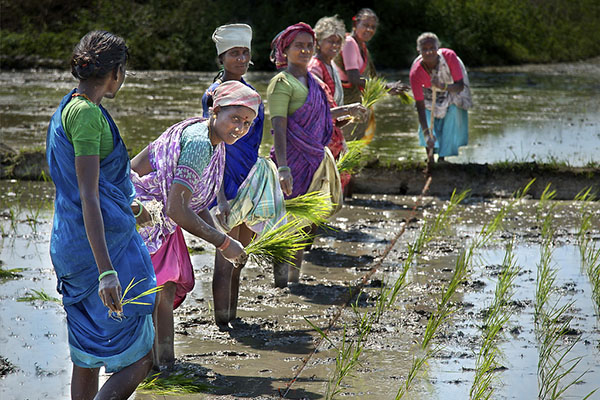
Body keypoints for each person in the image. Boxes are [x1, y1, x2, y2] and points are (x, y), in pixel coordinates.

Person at [46, 30, 156, 399]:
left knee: (86, 356)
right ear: (116, 73)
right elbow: (89, 196)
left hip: (69, 243)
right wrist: (107, 272)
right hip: (100, 251)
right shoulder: (89, 116)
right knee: (141, 357)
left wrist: (134, 207)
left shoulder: (67, 107)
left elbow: (97, 188)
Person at [130, 80, 261, 368]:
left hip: (159, 214)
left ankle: (163, 364)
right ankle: (152, 366)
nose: (240, 128)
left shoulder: (213, 139)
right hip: (143, 214)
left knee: (163, 291)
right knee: (155, 295)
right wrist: (224, 242)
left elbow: (193, 204)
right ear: (215, 111)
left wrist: (219, 231)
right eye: (235, 119)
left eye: (248, 123)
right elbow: (177, 209)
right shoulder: (201, 144)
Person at [201, 24, 286, 330]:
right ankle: (222, 325)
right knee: (224, 258)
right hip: (225, 183)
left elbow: (253, 141)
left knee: (241, 257)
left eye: (244, 53)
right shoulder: (213, 95)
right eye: (233, 53)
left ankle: (232, 318)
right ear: (221, 57)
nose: (240, 58)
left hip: (250, 179)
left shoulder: (251, 93)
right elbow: (213, 144)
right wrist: (221, 196)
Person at [268, 22, 365, 283]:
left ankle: (295, 279)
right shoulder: (281, 82)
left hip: (314, 160)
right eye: (298, 46)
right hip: (291, 161)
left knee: (302, 222)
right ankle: (280, 282)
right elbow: (279, 126)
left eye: (309, 46)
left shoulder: (315, 82)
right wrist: (284, 168)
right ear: (285, 50)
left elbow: (322, 117)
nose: (305, 50)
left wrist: (349, 110)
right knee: (286, 222)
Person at [334, 8, 405, 142]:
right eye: (365, 25)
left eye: (372, 27)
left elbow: (372, 77)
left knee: (353, 143)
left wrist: (390, 88)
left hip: (355, 101)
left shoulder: (362, 46)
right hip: (345, 101)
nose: (369, 30)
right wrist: (385, 87)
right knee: (346, 142)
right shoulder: (349, 43)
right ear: (355, 25)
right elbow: (354, 78)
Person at [409, 32, 472, 162]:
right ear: (419, 51)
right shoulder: (415, 72)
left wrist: (442, 86)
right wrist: (427, 135)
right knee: (427, 117)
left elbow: (459, 86)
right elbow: (420, 106)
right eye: (424, 49)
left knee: (451, 114)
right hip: (427, 95)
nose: (429, 52)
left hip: (450, 88)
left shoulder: (450, 57)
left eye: (432, 48)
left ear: (438, 48)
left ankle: (442, 159)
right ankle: (430, 158)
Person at [308, 15, 353, 192]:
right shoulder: (315, 67)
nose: (334, 46)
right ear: (318, 42)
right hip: (319, 136)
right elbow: (316, 108)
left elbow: (332, 105)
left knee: (336, 177)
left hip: (331, 131)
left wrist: (345, 117)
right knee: (323, 179)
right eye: (330, 41)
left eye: (338, 42)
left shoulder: (331, 65)